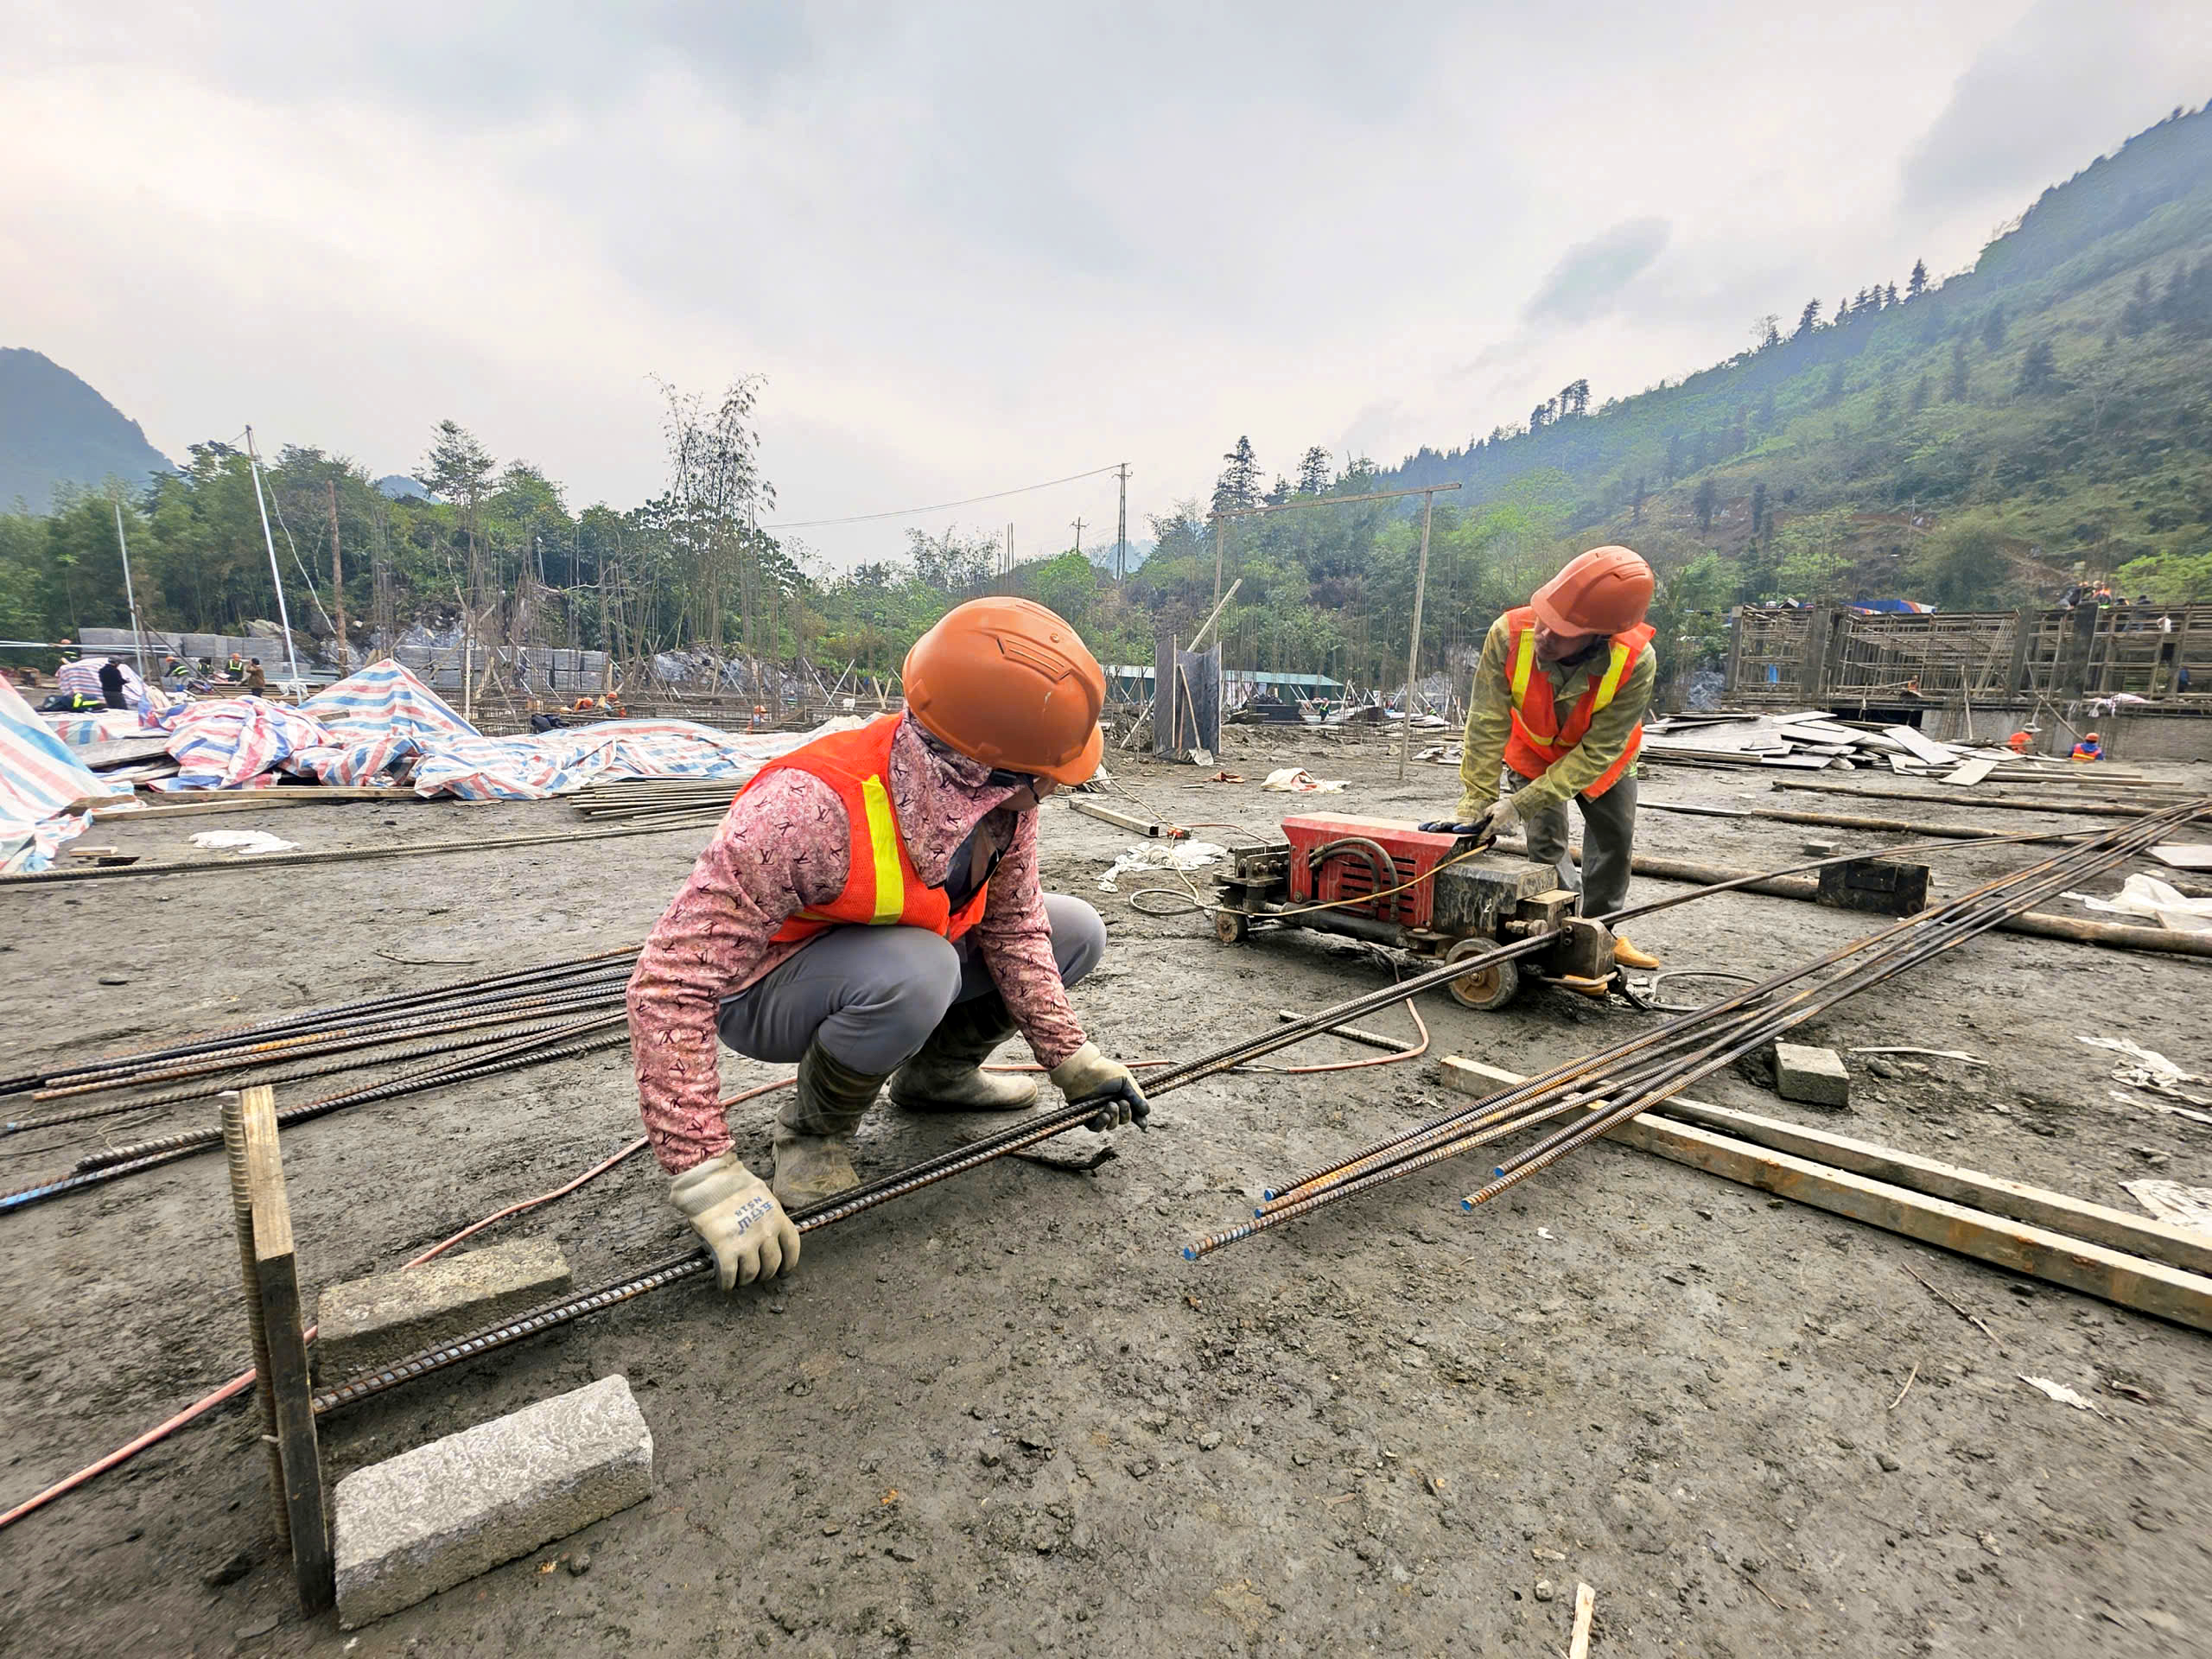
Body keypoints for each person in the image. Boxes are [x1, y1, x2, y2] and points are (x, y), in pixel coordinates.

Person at [626, 596, 1147, 1290]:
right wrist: (705, 1172)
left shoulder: (1001, 809)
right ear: (984, 768)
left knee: (1073, 929)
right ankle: (811, 1133)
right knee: (919, 969)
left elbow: (1017, 926)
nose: (1056, 787)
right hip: (768, 990)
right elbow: (670, 985)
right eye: (1047, 777)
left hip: (893, 963)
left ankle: (937, 1078)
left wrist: (1070, 1057)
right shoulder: (805, 809)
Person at [1420, 545, 1664, 976]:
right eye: (1545, 619)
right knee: (1546, 846)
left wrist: (1519, 804)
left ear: (1599, 637)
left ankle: (1599, 934)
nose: (1545, 635)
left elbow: (1597, 751)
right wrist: (1477, 802)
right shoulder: (1508, 634)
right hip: (1532, 751)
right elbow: (1486, 723)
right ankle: (1561, 933)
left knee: (1614, 840)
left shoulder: (1636, 661)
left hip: (1603, 759)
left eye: (1563, 630)